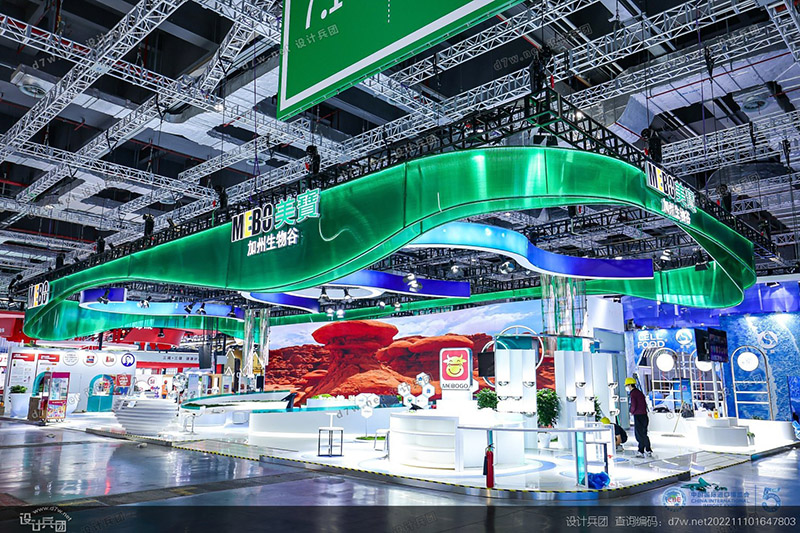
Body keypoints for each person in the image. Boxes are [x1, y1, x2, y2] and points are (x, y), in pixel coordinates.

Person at [626, 377, 653, 458]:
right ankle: (648, 450)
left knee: (639, 434)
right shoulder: (639, 392)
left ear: (630, 385)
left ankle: (641, 451)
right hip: (644, 415)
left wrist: (631, 411)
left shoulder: (633, 393)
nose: (627, 387)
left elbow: (633, 405)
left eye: (627, 385)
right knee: (644, 433)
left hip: (638, 416)